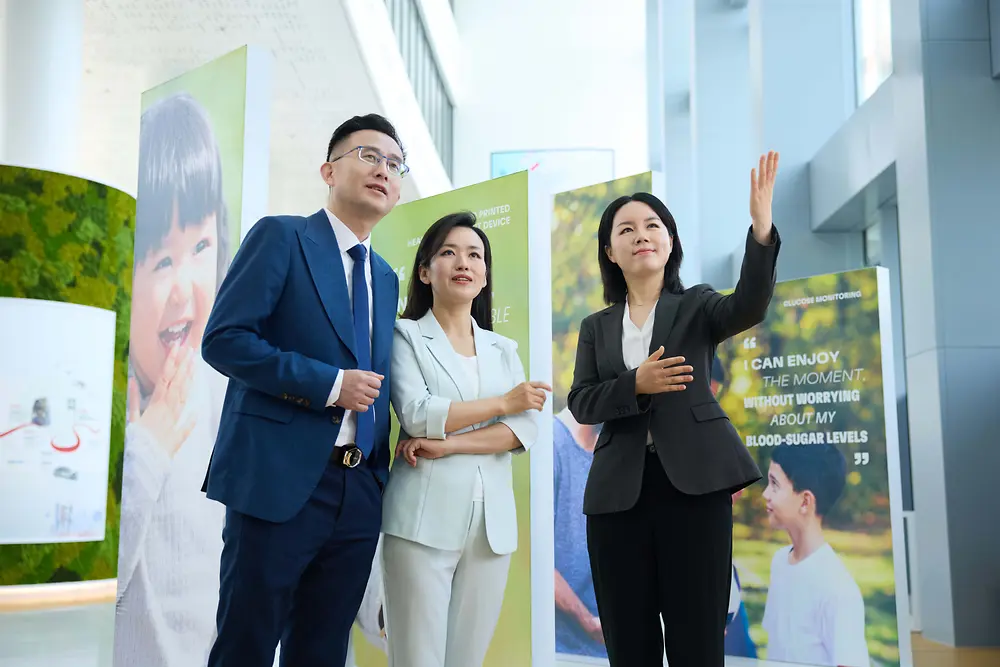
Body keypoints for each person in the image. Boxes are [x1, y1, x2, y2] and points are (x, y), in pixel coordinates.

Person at [199, 114, 406, 667]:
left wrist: (378, 476)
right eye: (369, 156)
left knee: (322, 649)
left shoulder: (385, 276)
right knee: (246, 641)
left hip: (357, 490)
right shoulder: (282, 236)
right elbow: (224, 340)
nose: (383, 170)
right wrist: (330, 385)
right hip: (278, 481)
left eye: (394, 164)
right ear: (328, 169)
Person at [567, 151, 782, 666]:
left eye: (652, 224)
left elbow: (749, 305)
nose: (641, 234)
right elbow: (580, 401)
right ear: (610, 251)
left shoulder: (698, 305)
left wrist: (761, 229)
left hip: (696, 488)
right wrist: (634, 384)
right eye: (626, 228)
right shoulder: (596, 326)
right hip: (618, 496)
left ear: (670, 241)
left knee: (696, 635)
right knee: (629, 637)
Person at [382, 211, 547, 667]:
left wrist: (449, 443)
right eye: (449, 252)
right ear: (424, 270)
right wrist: (502, 404)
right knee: (417, 658)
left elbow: (523, 430)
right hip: (420, 523)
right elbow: (419, 415)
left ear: (485, 274)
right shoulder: (405, 336)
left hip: (491, 528)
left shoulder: (503, 348)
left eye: (475, 254)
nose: (464, 262)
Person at [114, 92, 231, 667]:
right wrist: (150, 444)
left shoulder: (222, 393)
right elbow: (98, 585)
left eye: (201, 247)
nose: (185, 288)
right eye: (162, 260)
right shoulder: (115, 410)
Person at [761, 444, 869, 667]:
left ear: (805, 501)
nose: (765, 494)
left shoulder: (838, 589)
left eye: (774, 484)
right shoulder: (780, 562)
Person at [552, 407, 607, 659]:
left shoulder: (611, 448)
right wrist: (587, 621)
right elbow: (533, 558)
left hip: (609, 647)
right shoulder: (550, 444)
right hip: (561, 650)